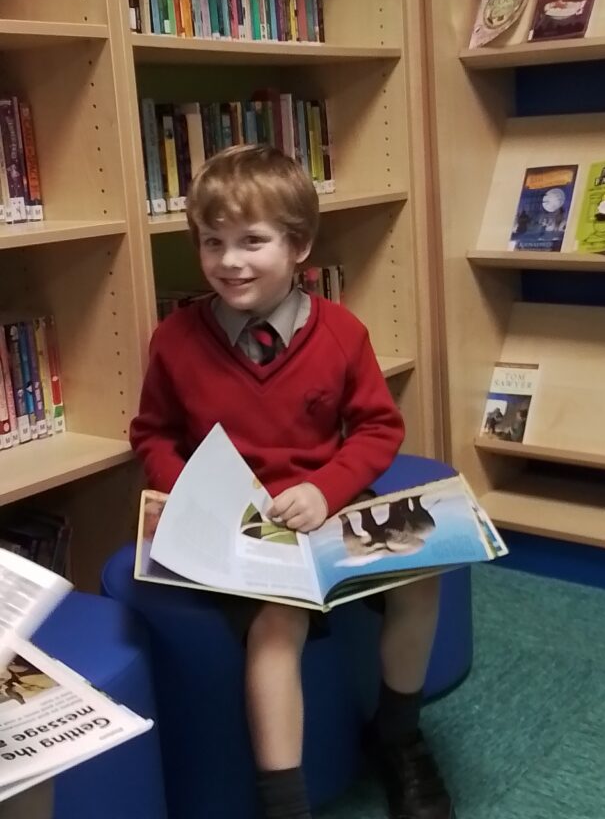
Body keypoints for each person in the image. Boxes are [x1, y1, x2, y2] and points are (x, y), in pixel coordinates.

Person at [130, 145, 455, 819]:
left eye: (252, 241)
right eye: (212, 242)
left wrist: (327, 489)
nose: (229, 261)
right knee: (278, 625)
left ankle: (399, 739)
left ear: (299, 245)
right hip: (237, 522)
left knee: (425, 572)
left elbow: (375, 430)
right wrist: (188, 492)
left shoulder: (340, 332)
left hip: (327, 505)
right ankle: (284, 803)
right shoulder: (175, 339)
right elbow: (153, 434)